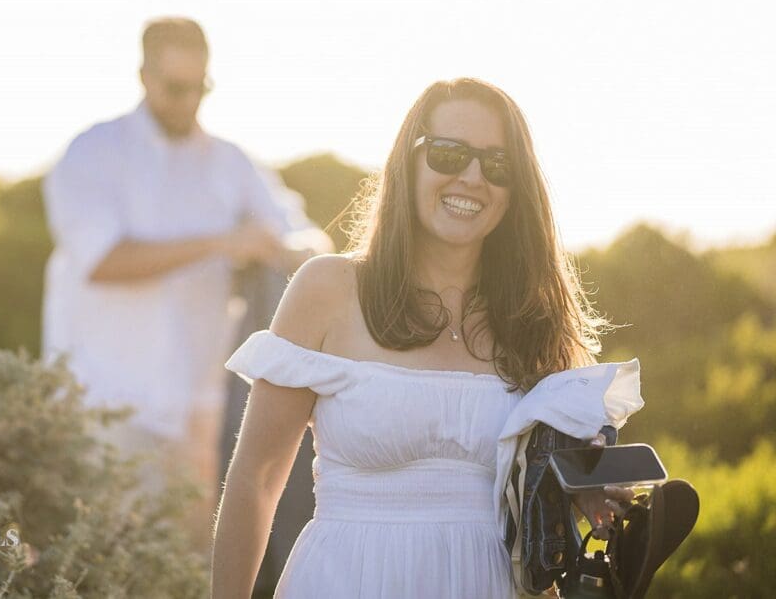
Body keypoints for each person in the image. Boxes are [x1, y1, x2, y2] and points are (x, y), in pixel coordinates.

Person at [212, 77, 640, 597]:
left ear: (516, 190)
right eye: (449, 153)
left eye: (497, 165)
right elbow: (255, 481)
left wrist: (587, 494)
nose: (472, 177)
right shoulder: (329, 289)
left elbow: (544, 488)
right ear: (408, 162)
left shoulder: (534, 315)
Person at [41, 17, 331, 541]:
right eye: (176, 87)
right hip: (107, 405)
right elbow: (102, 261)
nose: (188, 101)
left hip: (203, 412)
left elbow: (310, 239)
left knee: (193, 575)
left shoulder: (232, 162)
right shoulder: (93, 152)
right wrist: (221, 242)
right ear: (144, 75)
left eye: (200, 87)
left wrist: (283, 248)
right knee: (105, 567)